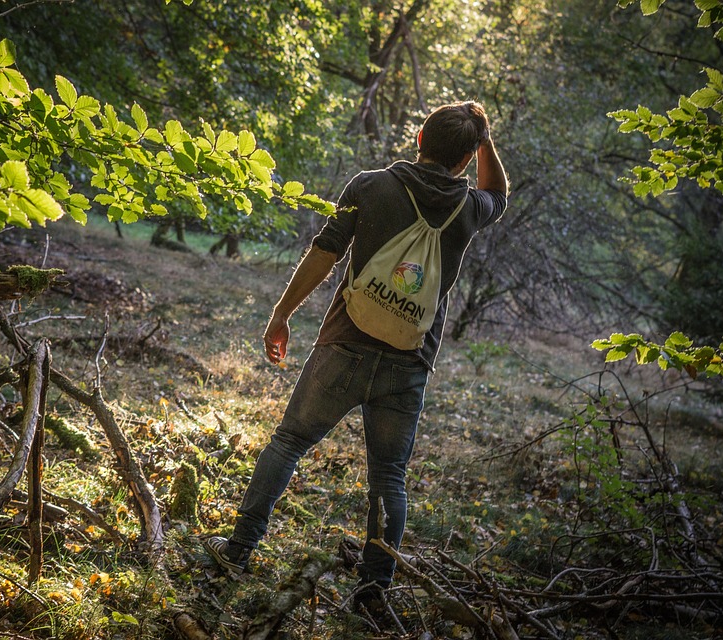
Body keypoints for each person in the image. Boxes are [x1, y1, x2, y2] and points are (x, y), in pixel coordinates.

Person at [205, 101, 508, 613]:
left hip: (343, 345)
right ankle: (373, 593)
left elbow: (325, 251)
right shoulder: (471, 209)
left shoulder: (369, 186)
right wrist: (485, 139)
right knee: (389, 477)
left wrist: (281, 315)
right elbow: (499, 193)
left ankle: (237, 552)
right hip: (409, 363)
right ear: (466, 158)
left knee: (288, 443)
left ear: (418, 140)